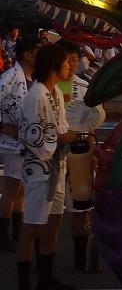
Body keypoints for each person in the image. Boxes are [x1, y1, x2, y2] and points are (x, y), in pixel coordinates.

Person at [16, 43, 78, 290]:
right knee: (32, 225)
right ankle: (24, 284)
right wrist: (61, 139)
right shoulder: (36, 96)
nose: (69, 66)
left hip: (55, 167)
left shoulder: (53, 93)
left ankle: (45, 278)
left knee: (54, 221)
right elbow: (34, 137)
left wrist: (66, 136)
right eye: (66, 62)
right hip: (39, 170)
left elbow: (59, 128)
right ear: (54, 65)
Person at [57, 41, 105, 272]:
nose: (71, 65)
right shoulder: (48, 88)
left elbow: (92, 125)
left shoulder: (84, 88)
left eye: (74, 60)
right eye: (66, 60)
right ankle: (44, 255)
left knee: (81, 208)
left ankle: (80, 258)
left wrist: (92, 150)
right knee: (52, 211)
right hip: (54, 155)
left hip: (80, 154)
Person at [0, 36, 40, 252]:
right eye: (38, 51)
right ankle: (3, 235)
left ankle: (16, 232)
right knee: (11, 191)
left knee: (21, 190)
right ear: (27, 55)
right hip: (11, 142)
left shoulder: (30, 76)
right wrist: (2, 126)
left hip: (24, 141)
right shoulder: (11, 76)